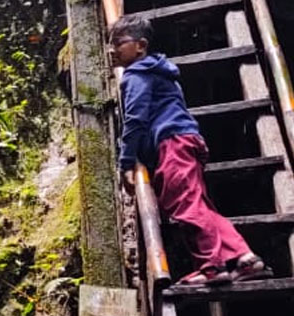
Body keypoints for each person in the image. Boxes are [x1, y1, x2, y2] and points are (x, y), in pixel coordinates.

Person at [110, 14, 273, 285]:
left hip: (171, 144)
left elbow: (136, 120)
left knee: (185, 205)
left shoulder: (137, 75)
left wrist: (126, 161)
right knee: (199, 204)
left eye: (119, 43)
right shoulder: (159, 71)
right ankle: (244, 257)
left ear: (140, 45)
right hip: (186, 140)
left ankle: (212, 267)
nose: (113, 49)